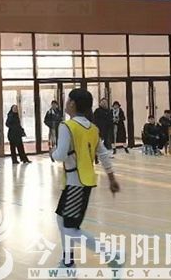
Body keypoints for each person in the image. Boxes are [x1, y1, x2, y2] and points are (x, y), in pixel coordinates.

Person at [52, 88, 120, 269]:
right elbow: (103, 154)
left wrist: (52, 153)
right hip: (83, 181)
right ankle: (68, 261)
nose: (66, 103)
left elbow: (60, 154)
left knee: (70, 228)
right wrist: (111, 177)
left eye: (68, 100)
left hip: (75, 182)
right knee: (61, 219)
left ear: (73, 104)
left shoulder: (67, 126)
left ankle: (110, 254)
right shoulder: (93, 128)